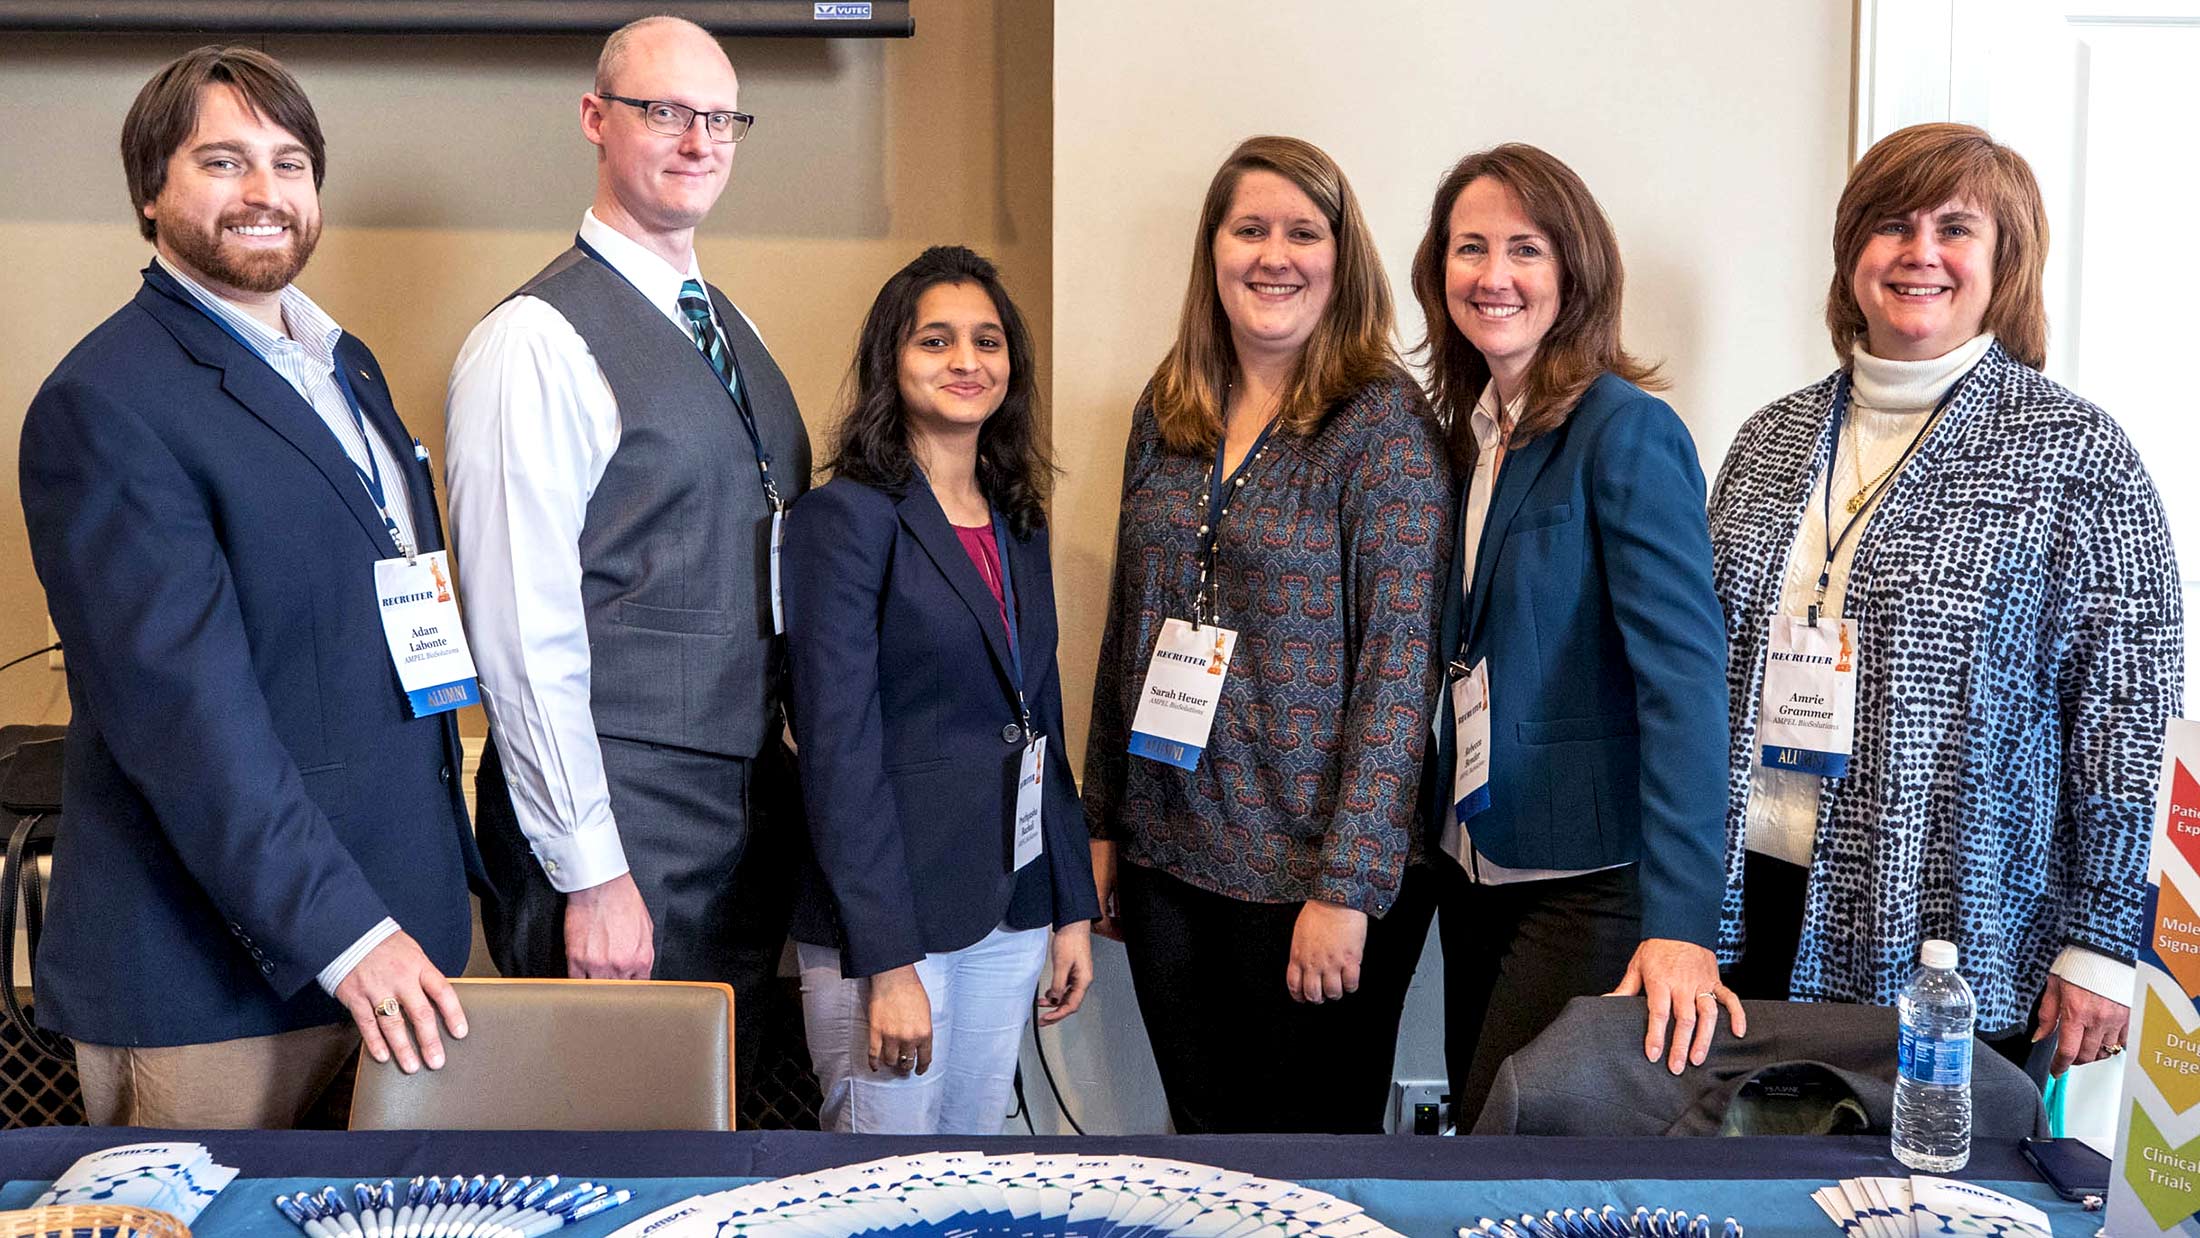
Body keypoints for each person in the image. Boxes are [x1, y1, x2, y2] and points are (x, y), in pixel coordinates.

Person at [19, 46, 480, 1126]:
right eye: (222, 162)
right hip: (212, 977)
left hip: (392, 938)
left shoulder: (342, 362)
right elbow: (189, 722)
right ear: (150, 190)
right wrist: (348, 936)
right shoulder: (107, 402)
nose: (265, 192)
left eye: (289, 161)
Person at [1710, 122, 2180, 1079]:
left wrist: (2103, 940)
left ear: (2002, 262)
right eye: (1891, 224)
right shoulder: (1768, 438)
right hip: (1747, 893)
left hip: (1953, 924)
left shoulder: (2078, 456)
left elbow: (2129, 722)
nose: (1920, 251)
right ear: (1852, 258)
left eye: (1955, 228)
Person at [444, 15, 811, 1105]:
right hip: (619, 825)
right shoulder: (533, 342)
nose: (697, 140)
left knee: (710, 1138)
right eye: (664, 112)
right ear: (596, 121)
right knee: (607, 1143)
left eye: (719, 118)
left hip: (738, 815)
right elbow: (520, 630)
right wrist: (592, 871)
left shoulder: (726, 326)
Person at [1083, 135, 1452, 1135]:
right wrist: (1103, 821)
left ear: (1343, 257)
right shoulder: (1170, 404)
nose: (1272, 255)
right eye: (1248, 229)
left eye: (1302, 231)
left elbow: (1399, 670)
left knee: (1309, 1159)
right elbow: (1129, 618)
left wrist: (1344, 888)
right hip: (1169, 861)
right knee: (1204, 1143)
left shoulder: (1380, 424)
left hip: (1308, 877)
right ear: (1212, 251)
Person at [1409, 143, 1739, 1130]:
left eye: (1524, 248)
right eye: (1469, 248)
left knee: (1505, 1147)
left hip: (1585, 884)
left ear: (1574, 272)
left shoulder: (1625, 429)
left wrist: (1682, 923)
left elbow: (1683, 683)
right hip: (1474, 867)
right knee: (1479, 1139)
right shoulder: (1468, 433)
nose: (1493, 275)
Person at [782, 245, 1098, 1134]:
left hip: (1009, 905)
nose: (967, 361)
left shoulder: (1018, 521)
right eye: (937, 340)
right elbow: (837, 753)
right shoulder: (842, 520)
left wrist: (1068, 905)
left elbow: (1043, 723)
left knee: (969, 1177)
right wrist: (886, 963)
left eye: (988, 341)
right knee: (884, 1190)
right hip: (891, 925)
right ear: (892, 357)